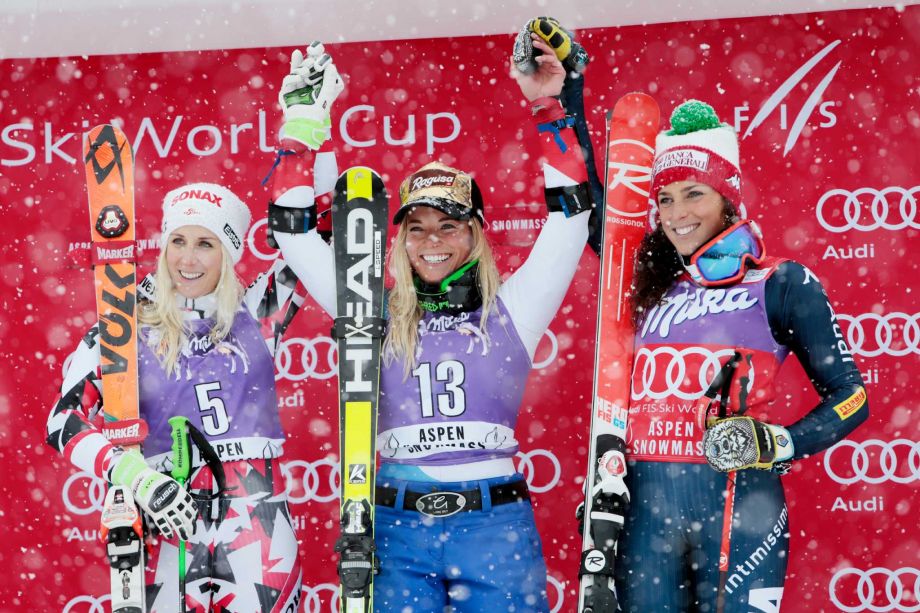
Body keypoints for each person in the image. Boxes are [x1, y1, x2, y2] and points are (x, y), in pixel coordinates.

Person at [271, 30, 595, 612]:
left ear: (474, 233)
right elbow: (292, 232)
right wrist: (304, 124)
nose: (433, 241)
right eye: (416, 227)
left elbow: (571, 217)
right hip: (396, 525)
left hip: (492, 525)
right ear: (399, 238)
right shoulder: (370, 308)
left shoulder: (513, 309)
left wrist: (550, 104)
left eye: (449, 225)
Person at [46, 43, 345, 612]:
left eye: (205, 243)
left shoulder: (259, 313)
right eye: (178, 241)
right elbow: (63, 422)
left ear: (228, 254)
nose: (188, 258)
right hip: (165, 524)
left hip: (256, 521)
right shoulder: (123, 321)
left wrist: (307, 128)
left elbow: (321, 232)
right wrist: (137, 477)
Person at [613, 100, 870, 611]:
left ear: (728, 199)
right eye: (664, 199)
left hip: (737, 503)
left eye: (693, 194)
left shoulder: (780, 281)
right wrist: (559, 98)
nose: (676, 213)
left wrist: (781, 442)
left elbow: (852, 398)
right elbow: (593, 207)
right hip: (645, 507)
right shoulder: (646, 282)